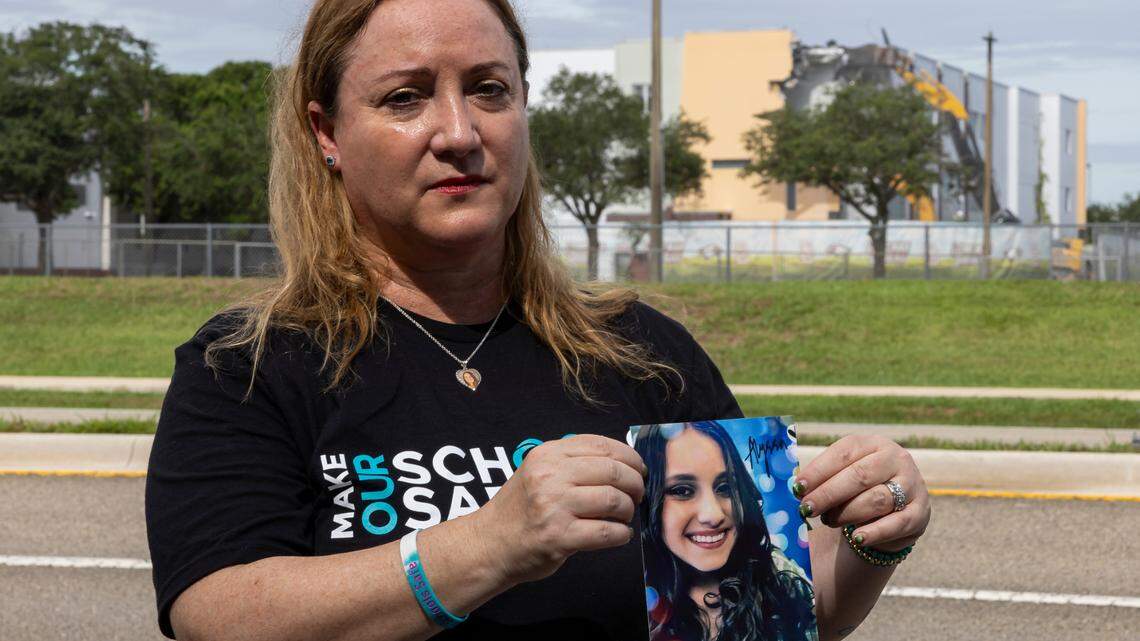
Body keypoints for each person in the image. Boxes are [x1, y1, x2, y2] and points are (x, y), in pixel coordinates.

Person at [144, 1, 931, 640]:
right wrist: (491, 543)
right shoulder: (249, 365)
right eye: (406, 97)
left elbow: (757, 610)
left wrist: (871, 536)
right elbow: (216, 614)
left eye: (489, 89)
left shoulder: (642, 354)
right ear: (327, 133)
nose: (458, 132)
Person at [635, 422, 817, 641]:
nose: (713, 515)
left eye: (724, 487)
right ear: (648, 500)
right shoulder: (625, 594)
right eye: (682, 490)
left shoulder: (780, 577)